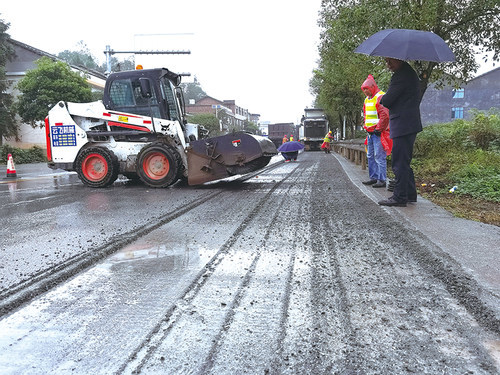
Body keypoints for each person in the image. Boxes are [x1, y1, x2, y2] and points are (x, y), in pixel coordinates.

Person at [378, 58, 423, 207]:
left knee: (399, 162)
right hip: (409, 123)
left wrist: (382, 99)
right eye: (386, 62)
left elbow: (389, 99)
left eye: (390, 62)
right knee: (404, 161)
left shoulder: (401, 75)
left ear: (399, 59)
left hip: (403, 124)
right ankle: (410, 194)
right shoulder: (410, 73)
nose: (388, 65)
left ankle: (400, 197)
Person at [360, 74, 392, 188]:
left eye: (367, 89)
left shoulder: (380, 96)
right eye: (364, 90)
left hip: (379, 132)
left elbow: (385, 115)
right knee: (370, 156)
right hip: (370, 133)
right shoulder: (367, 99)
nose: (365, 92)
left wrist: (379, 129)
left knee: (379, 156)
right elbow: (366, 115)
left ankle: (382, 179)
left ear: (372, 87)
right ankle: (374, 177)